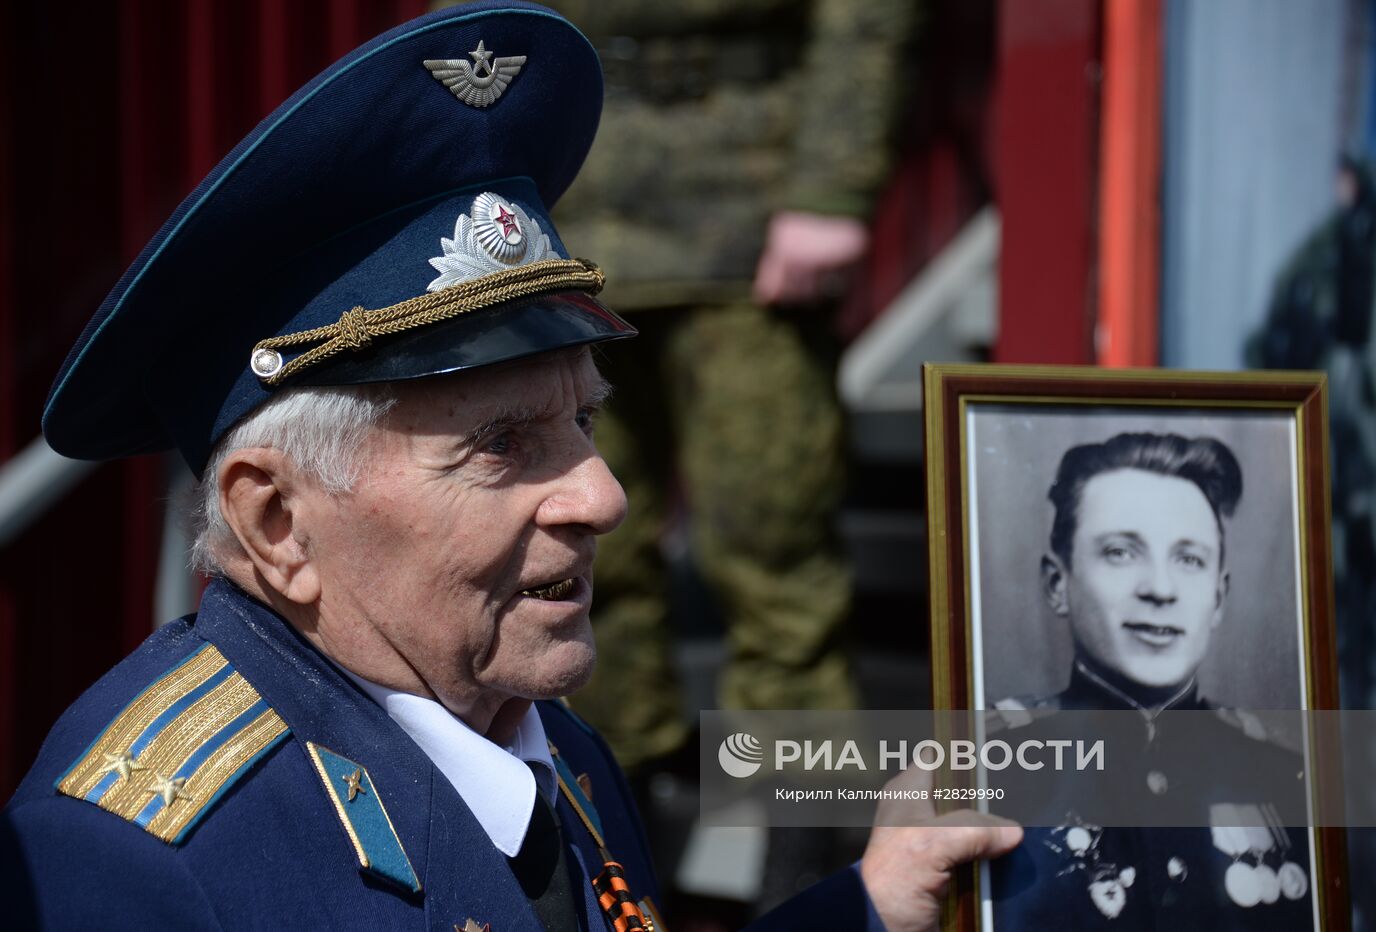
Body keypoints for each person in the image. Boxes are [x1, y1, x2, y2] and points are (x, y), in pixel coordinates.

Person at [0, 4, 1019, 929]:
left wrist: (867, 905)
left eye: (583, 419)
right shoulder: (142, 855)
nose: (604, 494)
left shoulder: (543, 741)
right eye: (500, 444)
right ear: (275, 522)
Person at [538, 0, 922, 774]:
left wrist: (830, 187)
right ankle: (609, 820)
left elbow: (864, 16)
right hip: (570, 205)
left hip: (749, 209)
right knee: (575, 551)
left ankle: (799, 838)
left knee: (773, 545)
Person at [989, 432, 1314, 930]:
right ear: (1059, 585)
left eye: (1189, 560)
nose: (1161, 589)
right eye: (1121, 552)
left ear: (1219, 598)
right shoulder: (990, 768)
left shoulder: (1287, 774)